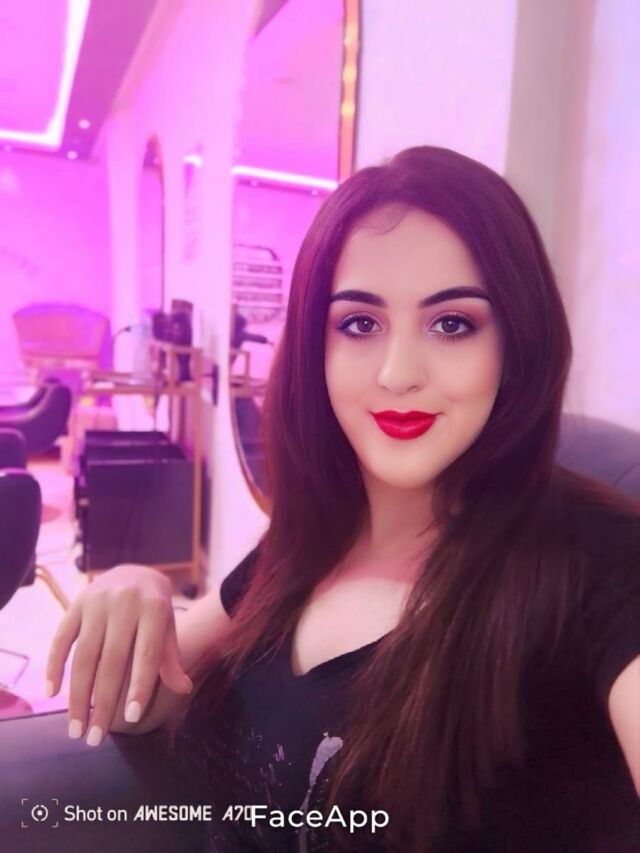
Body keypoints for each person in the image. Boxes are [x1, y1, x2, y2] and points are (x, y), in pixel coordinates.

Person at [46, 147, 640, 851]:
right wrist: (135, 589)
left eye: (452, 323)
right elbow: (160, 700)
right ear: (314, 349)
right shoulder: (310, 539)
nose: (397, 373)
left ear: (516, 344)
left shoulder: (605, 565)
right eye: (359, 324)